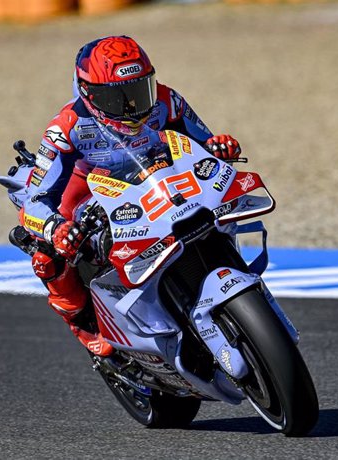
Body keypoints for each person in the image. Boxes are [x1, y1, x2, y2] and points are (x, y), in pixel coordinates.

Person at [15, 36, 241, 357]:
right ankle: (84, 323)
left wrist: (219, 147)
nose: (132, 107)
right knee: (47, 254)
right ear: (88, 92)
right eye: (117, 98)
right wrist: (55, 228)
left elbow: (203, 142)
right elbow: (33, 202)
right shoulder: (66, 127)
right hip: (89, 195)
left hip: (161, 178)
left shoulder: (167, 100)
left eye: (139, 91)